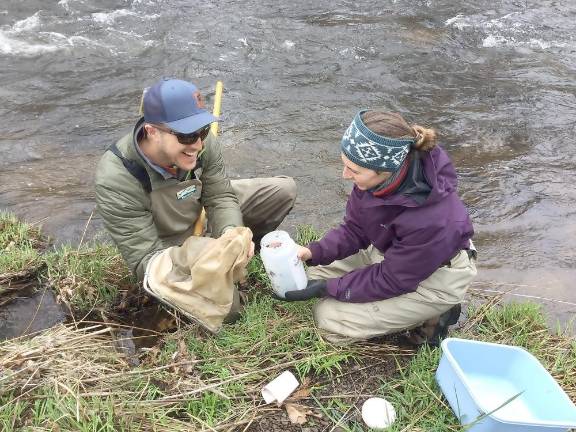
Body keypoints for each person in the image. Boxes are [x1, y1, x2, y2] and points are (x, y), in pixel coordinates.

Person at [95, 78, 296, 330]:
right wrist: (200, 252)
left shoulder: (201, 144)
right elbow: (145, 262)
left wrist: (231, 234)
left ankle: (243, 255)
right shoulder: (117, 176)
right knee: (229, 313)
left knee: (281, 191)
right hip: (167, 249)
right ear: (152, 131)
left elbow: (220, 196)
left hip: (200, 215)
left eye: (202, 131)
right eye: (188, 135)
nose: (198, 145)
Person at [282, 110, 477, 346]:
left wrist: (329, 288)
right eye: (345, 165)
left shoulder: (435, 219)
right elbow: (355, 229)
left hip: (435, 276)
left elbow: (392, 279)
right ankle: (405, 308)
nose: (345, 176)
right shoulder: (374, 181)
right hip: (393, 254)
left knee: (327, 317)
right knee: (306, 275)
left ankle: (436, 311)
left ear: (384, 171)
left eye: (353, 171)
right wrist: (313, 252)